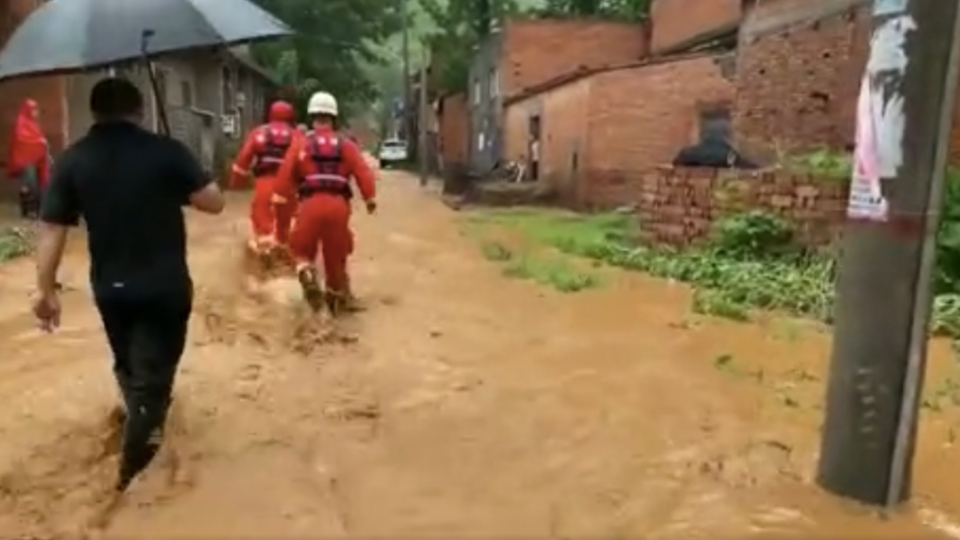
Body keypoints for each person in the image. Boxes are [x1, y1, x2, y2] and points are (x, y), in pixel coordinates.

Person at [32, 77, 225, 492]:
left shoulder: (73, 160)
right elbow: (214, 202)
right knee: (155, 383)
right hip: (165, 288)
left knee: (130, 365)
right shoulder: (165, 152)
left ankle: (138, 413)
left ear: (96, 112)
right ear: (139, 110)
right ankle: (131, 478)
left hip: (110, 291)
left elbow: (51, 229)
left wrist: (44, 291)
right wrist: (184, 169)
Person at [274, 91, 376, 315]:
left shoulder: (300, 144)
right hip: (338, 205)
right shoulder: (346, 144)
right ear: (334, 117)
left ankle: (306, 271)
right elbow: (363, 172)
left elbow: (285, 175)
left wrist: (280, 198)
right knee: (336, 255)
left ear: (312, 116)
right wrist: (370, 198)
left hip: (309, 204)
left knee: (301, 249)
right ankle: (336, 299)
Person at [230, 100, 299, 254]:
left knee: (262, 225)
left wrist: (235, 182)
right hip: (289, 187)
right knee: (287, 227)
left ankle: (262, 259)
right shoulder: (297, 136)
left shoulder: (259, 133)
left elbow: (243, 160)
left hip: (264, 184)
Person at [7, 99, 50, 219]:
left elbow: (37, 137)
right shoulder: (21, 122)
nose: (36, 112)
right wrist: (39, 141)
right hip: (24, 160)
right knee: (29, 184)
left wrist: (42, 144)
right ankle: (28, 211)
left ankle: (34, 210)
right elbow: (22, 139)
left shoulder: (33, 124)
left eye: (36, 109)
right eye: (33, 109)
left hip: (35, 160)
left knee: (34, 184)